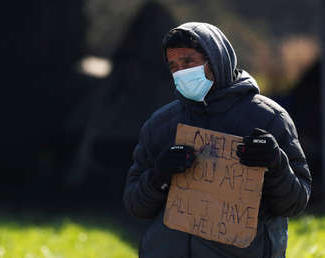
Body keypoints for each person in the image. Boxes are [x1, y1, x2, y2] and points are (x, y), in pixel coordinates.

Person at [123, 22, 312, 258]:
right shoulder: (160, 125)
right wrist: (159, 175)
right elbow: (135, 205)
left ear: (216, 60)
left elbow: (295, 202)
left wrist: (275, 164)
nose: (180, 72)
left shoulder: (269, 119)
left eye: (188, 62)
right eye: (173, 66)